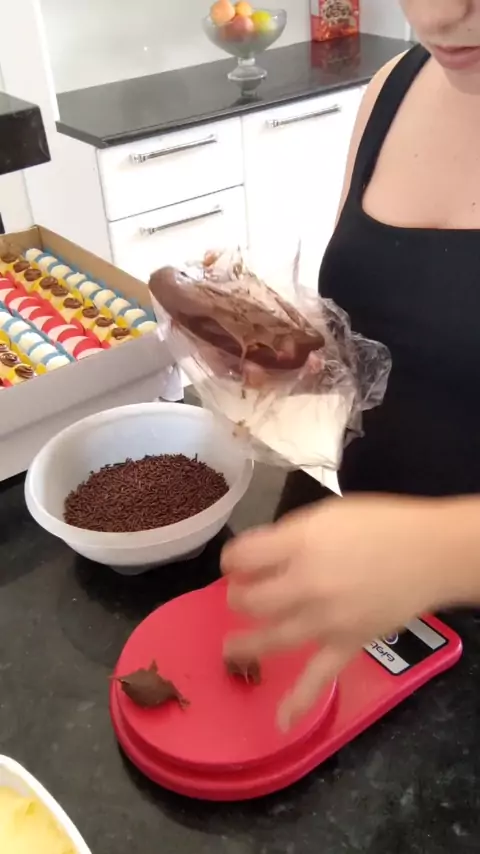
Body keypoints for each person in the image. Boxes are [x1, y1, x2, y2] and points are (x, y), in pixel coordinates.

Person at [221, 0, 480, 732]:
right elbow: (377, 333)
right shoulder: (395, 88)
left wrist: (439, 553)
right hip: (367, 609)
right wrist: (290, 355)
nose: (436, 14)